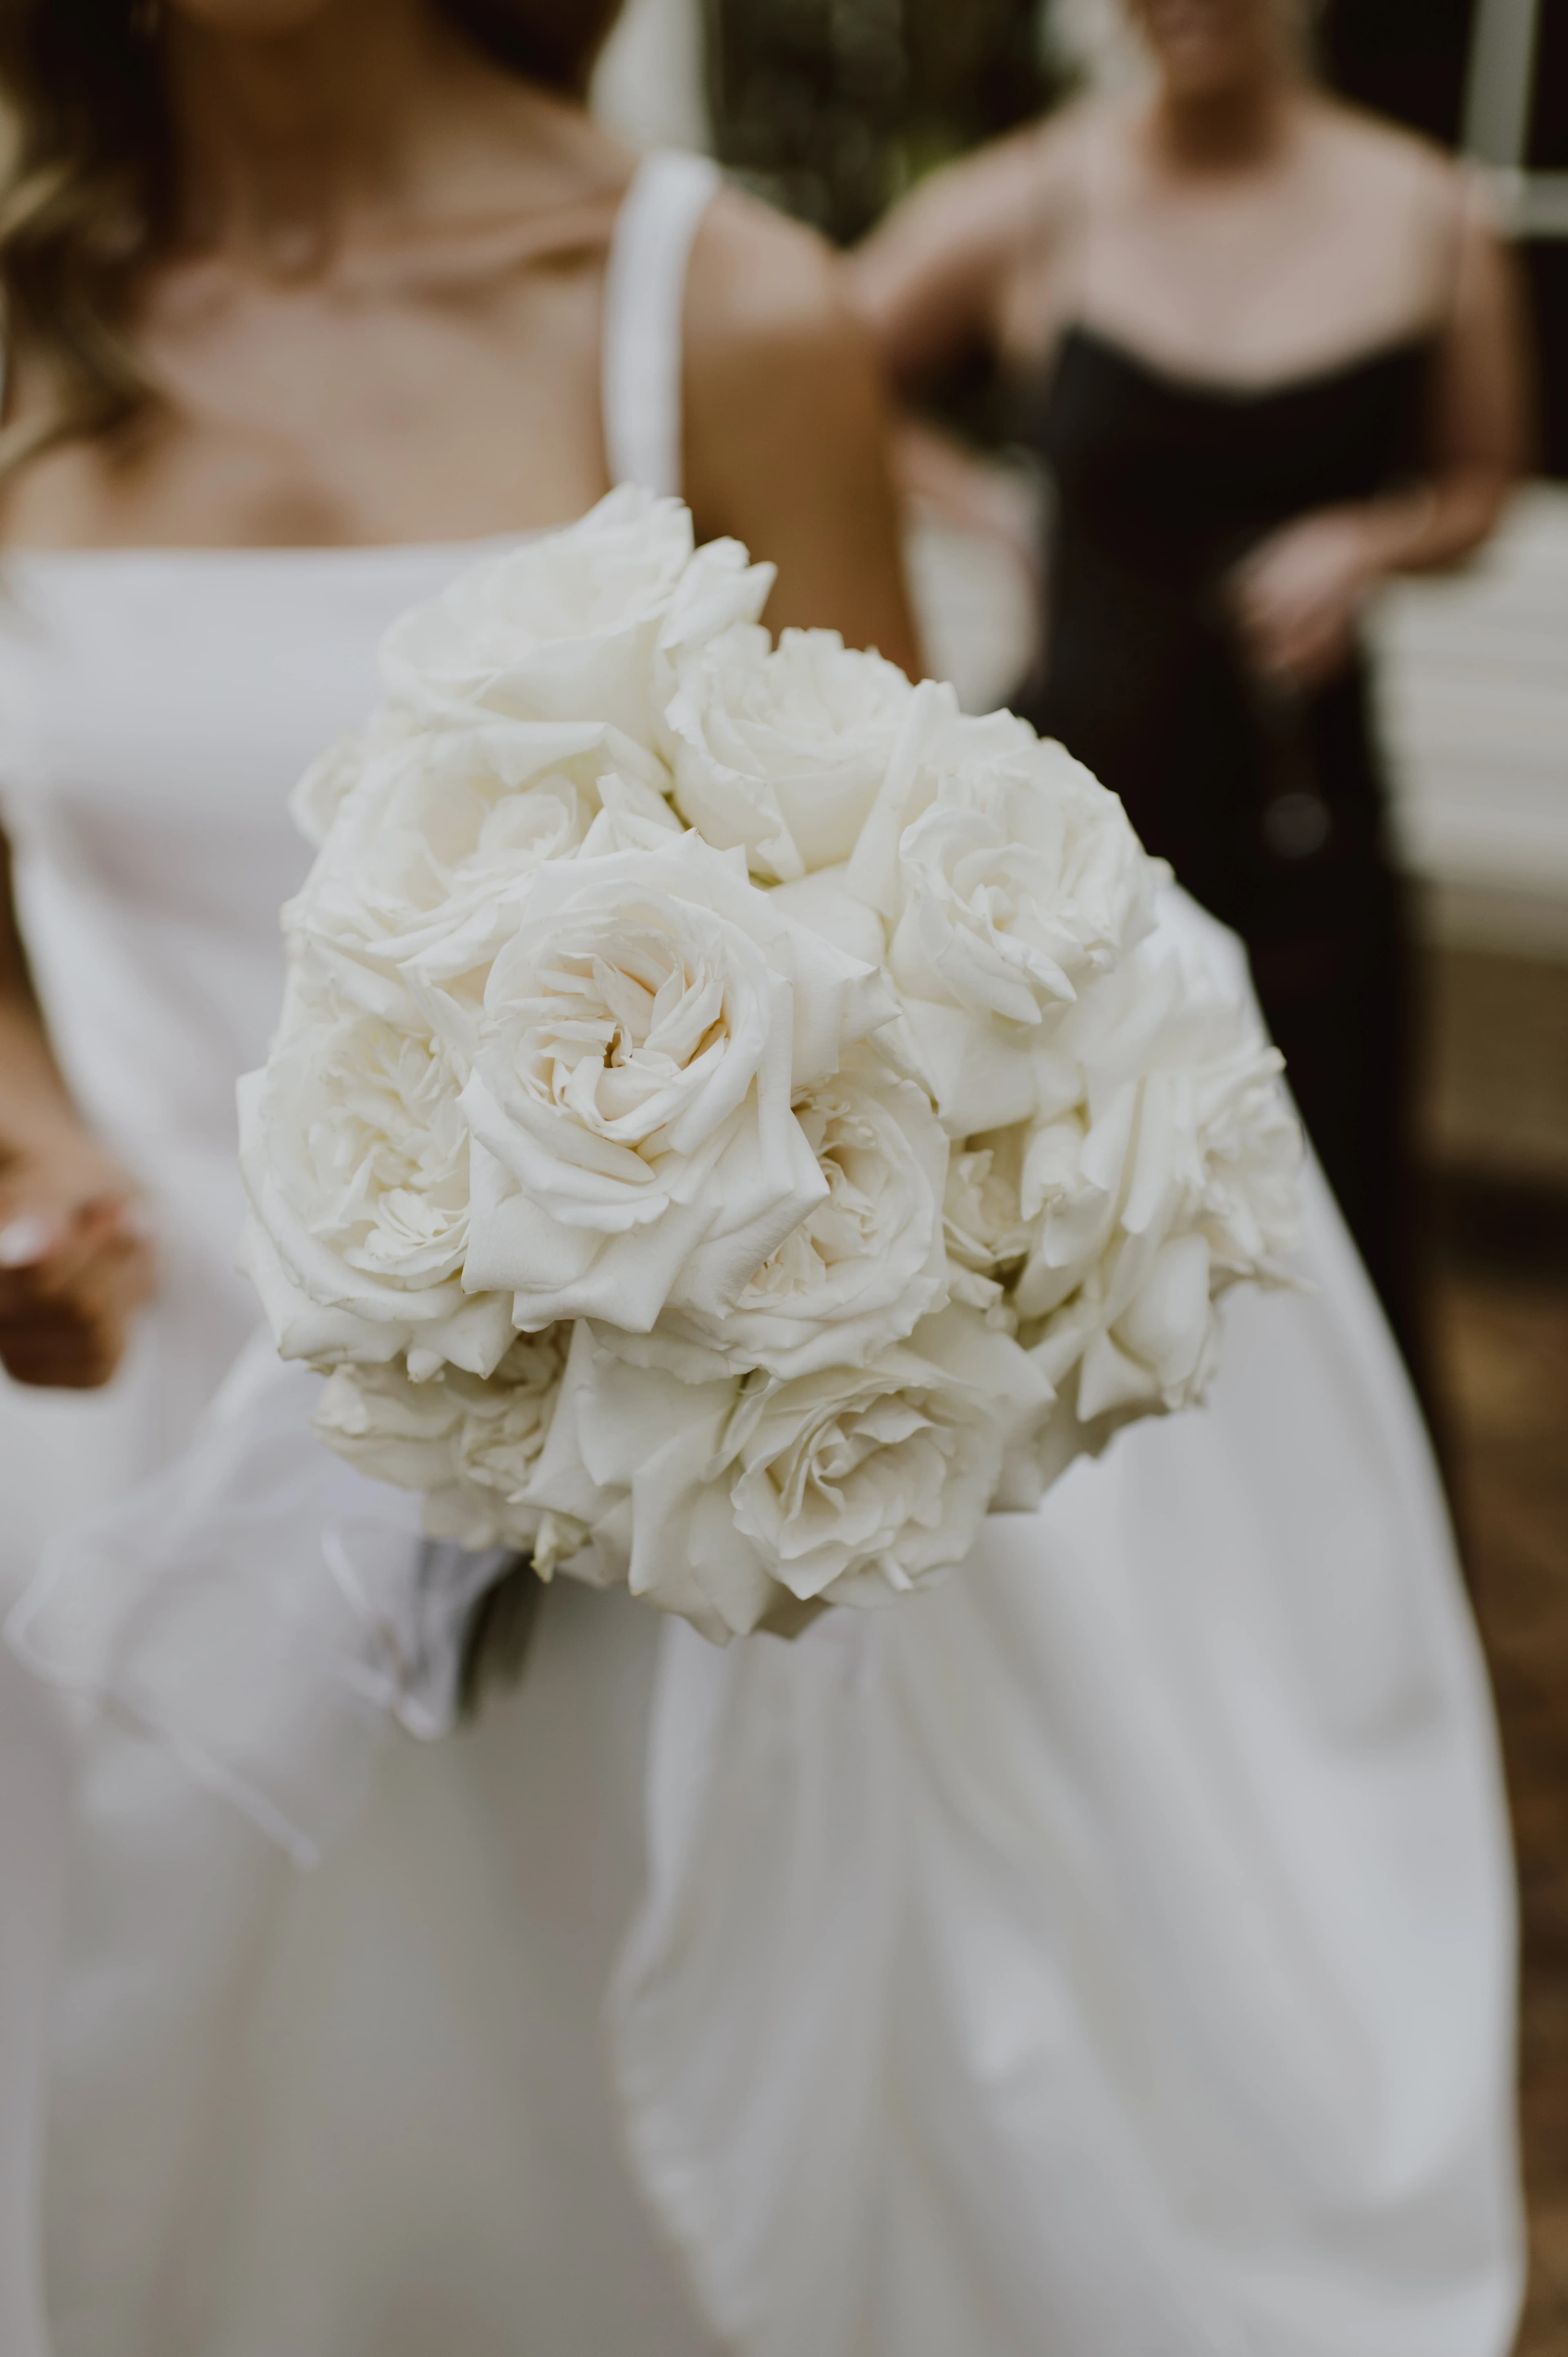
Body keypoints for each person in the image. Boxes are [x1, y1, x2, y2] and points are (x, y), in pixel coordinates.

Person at [0, 1, 1522, 2351]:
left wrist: (635, 1329)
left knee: (592, 2138)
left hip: (600, 1492)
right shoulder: (23, 286)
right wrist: (26, 1121)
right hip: (125, 1433)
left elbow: (870, 977)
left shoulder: (718, 305)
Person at [850, 0, 1530, 1381]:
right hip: (1070, 832)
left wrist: (1372, 540)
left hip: (1304, 813)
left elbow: (1481, 485)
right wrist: (985, 502)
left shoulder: (1430, 213)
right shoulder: (1039, 196)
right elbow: (812, 355)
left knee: (1322, 1194)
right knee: (1058, 1208)